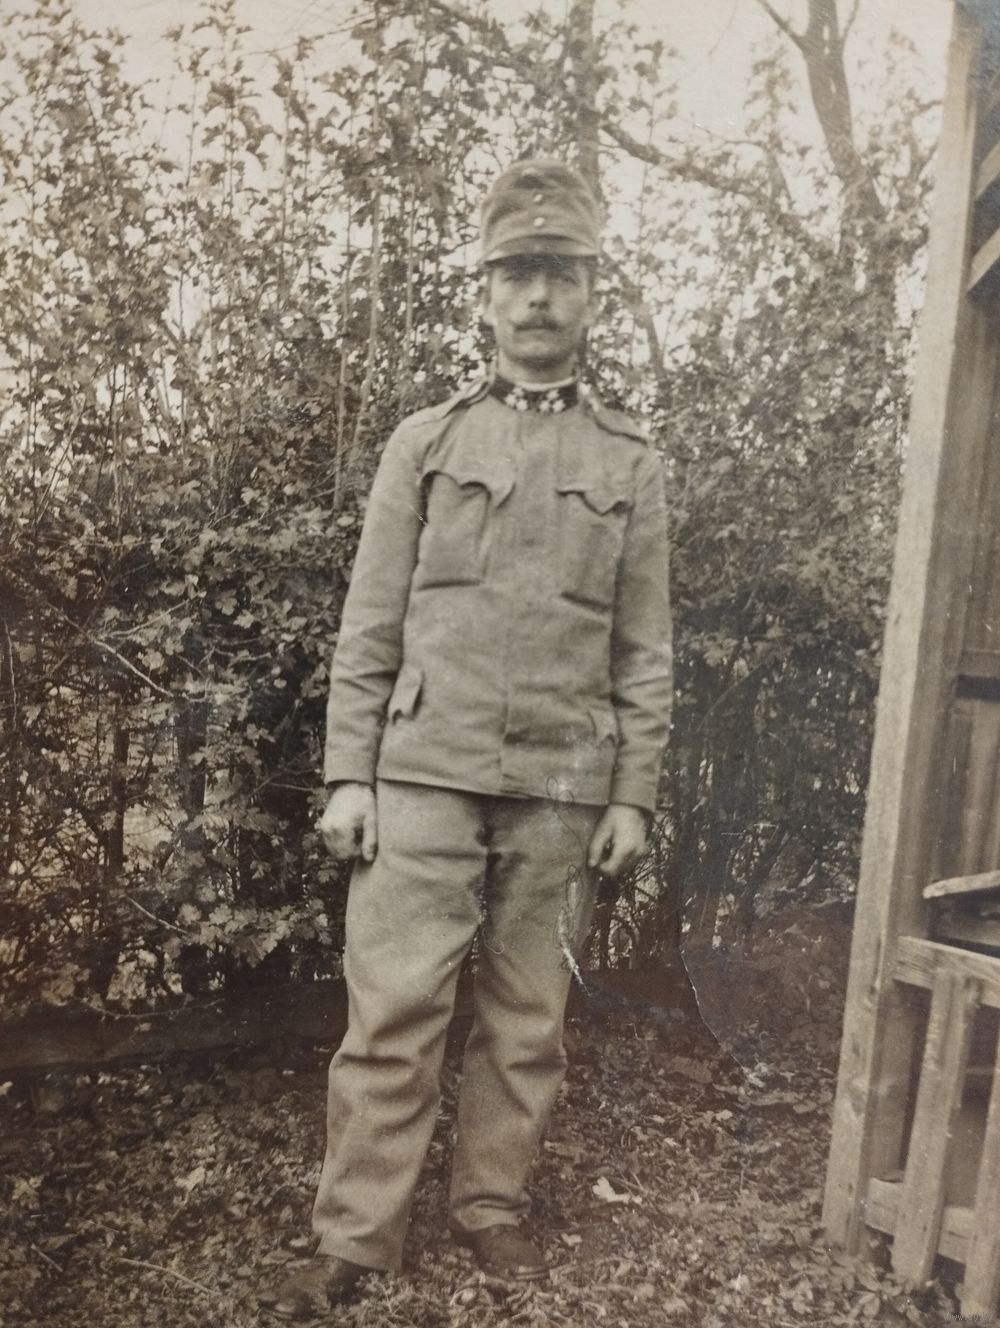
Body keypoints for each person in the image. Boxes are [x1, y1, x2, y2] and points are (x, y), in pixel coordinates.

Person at [262, 158, 673, 1320]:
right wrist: (349, 773)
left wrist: (629, 791)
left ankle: (490, 1206)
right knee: (393, 1010)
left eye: (560, 274)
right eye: (517, 273)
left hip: (561, 781)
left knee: (528, 1013)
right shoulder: (425, 444)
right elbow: (370, 619)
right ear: (484, 293)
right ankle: (357, 1234)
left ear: (590, 293)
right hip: (424, 771)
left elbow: (644, 646)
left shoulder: (630, 462)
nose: (537, 296)